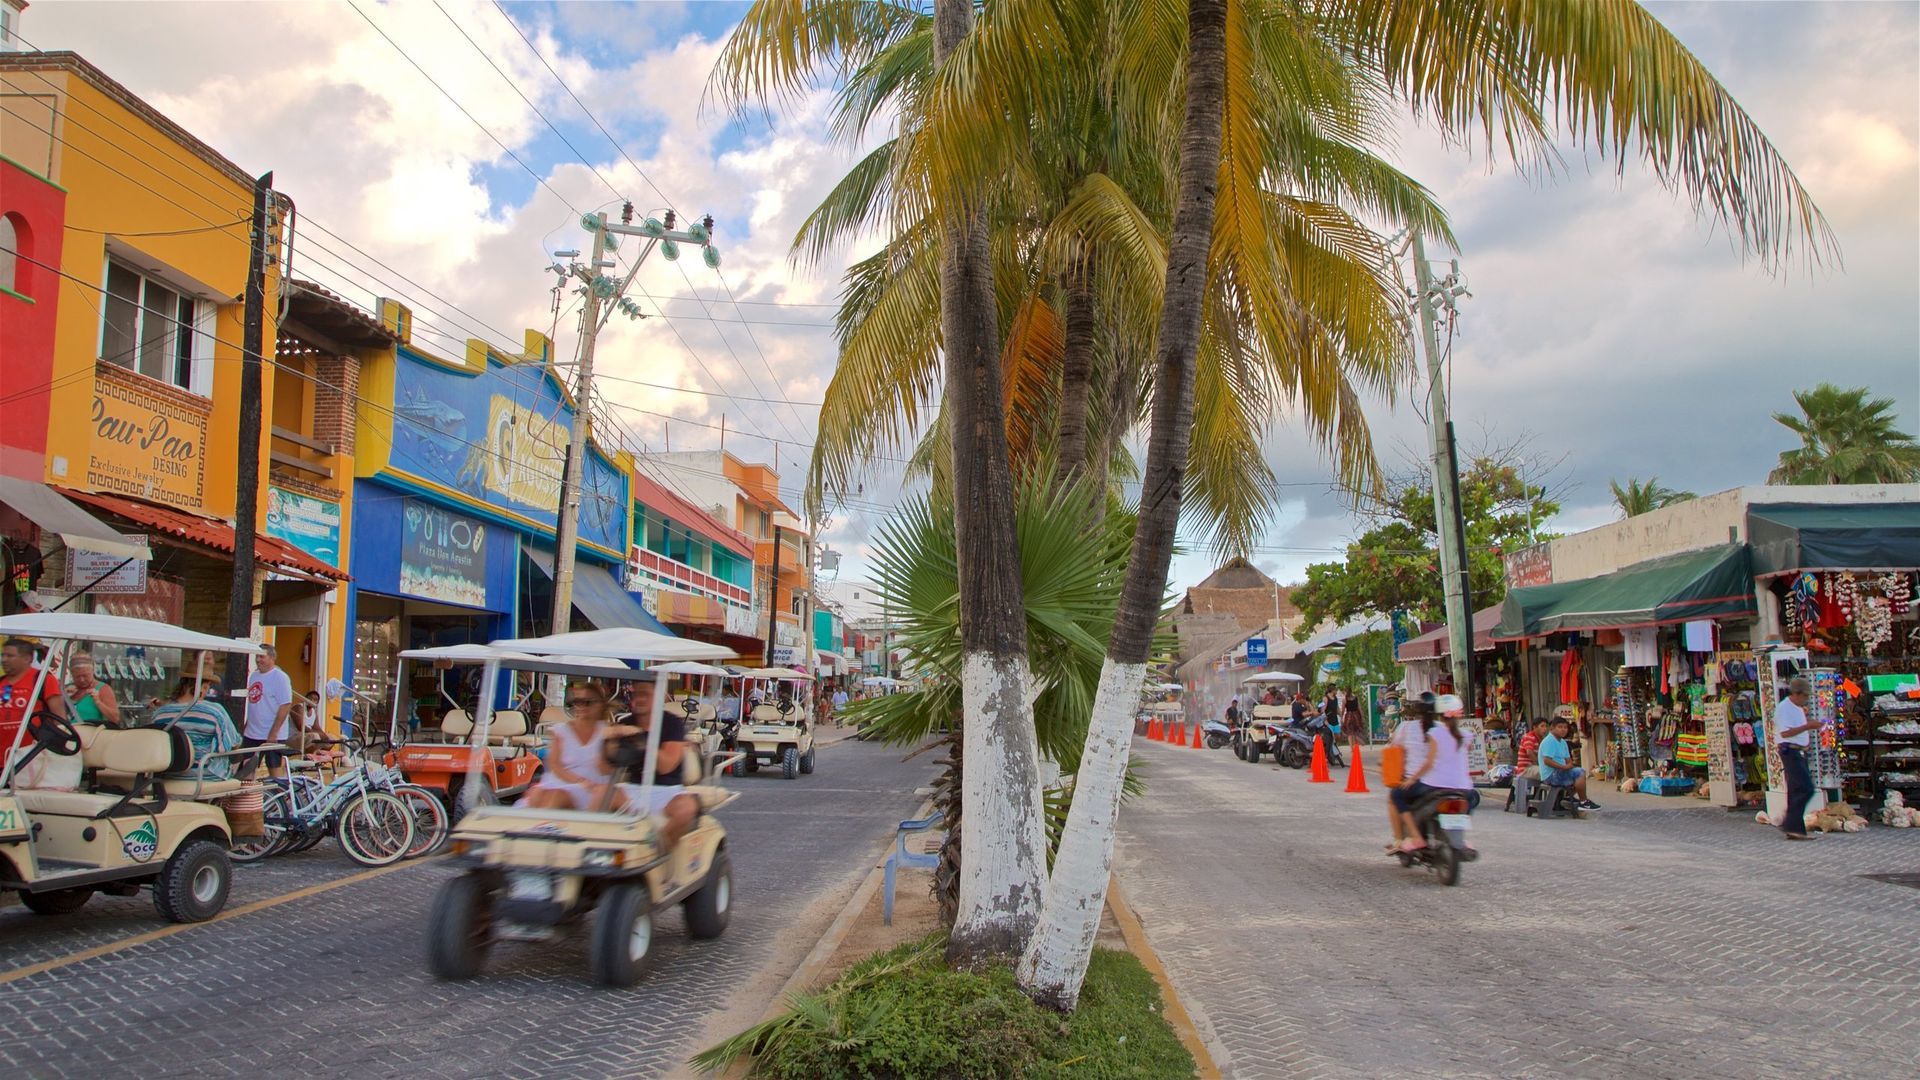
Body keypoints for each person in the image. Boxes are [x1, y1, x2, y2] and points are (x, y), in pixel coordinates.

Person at [525, 682, 698, 852]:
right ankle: (584, 846)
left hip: (667, 791)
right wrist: (610, 742)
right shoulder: (626, 722)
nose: (639, 699)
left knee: (686, 809)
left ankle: (656, 852)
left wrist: (641, 738)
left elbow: (666, 766)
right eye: (636, 694)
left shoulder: (672, 723)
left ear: (658, 696)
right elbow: (603, 768)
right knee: (601, 793)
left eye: (645, 694)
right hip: (633, 788)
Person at [1393, 694, 1476, 853]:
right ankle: (1460, 837)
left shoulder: (1435, 734)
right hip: (1465, 788)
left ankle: (1416, 837)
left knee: (1397, 795)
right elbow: (1466, 750)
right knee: (1473, 799)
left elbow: (1429, 763)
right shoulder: (1467, 735)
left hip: (1435, 786)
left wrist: (1411, 779)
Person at [150, 676, 242, 780]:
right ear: (203, 687)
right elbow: (234, 744)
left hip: (167, 776)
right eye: (207, 687)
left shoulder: (160, 713)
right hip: (205, 776)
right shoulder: (215, 711)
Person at [1773, 676, 1821, 841]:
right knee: (1806, 788)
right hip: (1790, 751)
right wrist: (1808, 726)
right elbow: (1785, 733)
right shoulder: (1784, 708)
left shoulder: (1798, 708)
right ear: (1797, 693)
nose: (1806, 699)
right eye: (1805, 696)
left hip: (1798, 751)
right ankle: (1790, 822)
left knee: (1795, 790)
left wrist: (1810, 724)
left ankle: (1795, 828)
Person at [1, 636, 67, 753]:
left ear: (27, 658)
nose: (4, 660)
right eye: (3, 655)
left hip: (31, 754)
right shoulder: (1, 682)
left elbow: (60, 719)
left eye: (10, 656)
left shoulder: (42, 679)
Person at [239, 644, 294, 778]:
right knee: (247, 770)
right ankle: (250, 791)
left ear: (272, 658)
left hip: (272, 734)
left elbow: (285, 705)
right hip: (252, 733)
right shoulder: (254, 676)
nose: (258, 660)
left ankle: (278, 790)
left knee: (274, 769)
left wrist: (274, 733)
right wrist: (246, 726)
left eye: (262, 657)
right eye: (257, 656)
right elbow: (254, 703)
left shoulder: (280, 677)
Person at [1385, 699, 1433, 852]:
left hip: (1417, 780)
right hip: (1441, 782)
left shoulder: (1405, 727)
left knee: (1394, 797)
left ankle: (1400, 839)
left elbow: (1393, 747)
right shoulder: (1440, 728)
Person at [1539, 716, 1600, 811]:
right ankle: (1583, 802)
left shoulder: (1562, 742)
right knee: (1580, 772)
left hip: (1560, 772)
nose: (1563, 730)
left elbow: (1568, 760)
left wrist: (1570, 765)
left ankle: (1568, 797)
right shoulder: (1549, 741)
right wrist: (1563, 767)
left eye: (1565, 727)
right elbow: (1547, 761)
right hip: (1551, 775)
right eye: (1560, 727)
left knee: (1577, 773)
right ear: (1552, 728)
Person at [65, 652, 122, 727]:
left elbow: (115, 718)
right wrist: (64, 696)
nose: (82, 680)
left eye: (85, 675)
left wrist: (98, 702)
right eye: (77, 677)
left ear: (92, 671)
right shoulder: (66, 689)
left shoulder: (103, 689)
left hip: (91, 733)